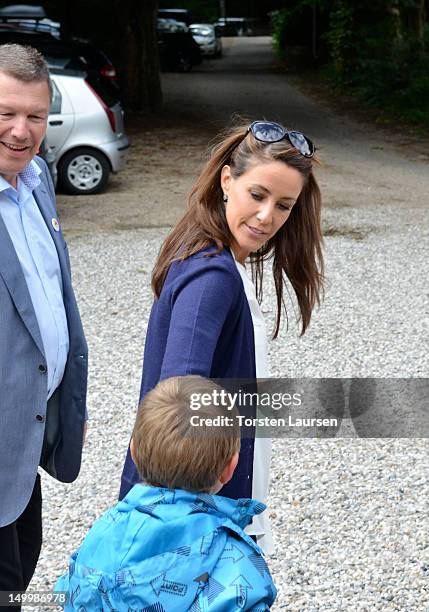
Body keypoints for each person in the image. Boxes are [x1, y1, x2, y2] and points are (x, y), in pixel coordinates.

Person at [120, 119, 324, 552]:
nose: (268, 216)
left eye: (285, 205)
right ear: (226, 180)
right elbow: (177, 410)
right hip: (192, 518)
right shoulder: (212, 275)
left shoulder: (211, 256)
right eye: (258, 195)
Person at [56, 376, 277, 610]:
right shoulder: (238, 561)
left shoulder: (101, 535)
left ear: (133, 452)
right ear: (230, 468)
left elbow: (73, 596)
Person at [0, 44, 88, 603]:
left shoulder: (37, 181)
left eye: (34, 115)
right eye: (5, 113)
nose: (20, 131)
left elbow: (51, 298)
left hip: (26, 438)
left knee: (19, 571)